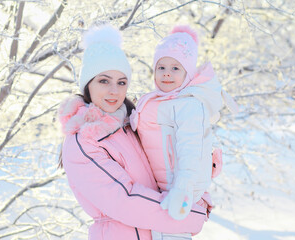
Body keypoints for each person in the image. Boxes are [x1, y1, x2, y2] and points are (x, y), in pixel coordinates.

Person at [58, 24, 210, 240]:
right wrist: (192, 212)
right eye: (104, 81)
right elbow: (126, 201)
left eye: (121, 82)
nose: (114, 91)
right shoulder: (83, 141)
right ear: (87, 84)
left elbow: (167, 164)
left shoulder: (132, 125)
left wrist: (204, 164)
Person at [130, 25, 238, 240]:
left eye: (176, 68)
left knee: (171, 234)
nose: (167, 73)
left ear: (188, 73)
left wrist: (183, 188)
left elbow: (190, 148)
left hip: (180, 186)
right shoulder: (160, 99)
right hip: (166, 184)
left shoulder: (188, 104)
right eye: (161, 67)